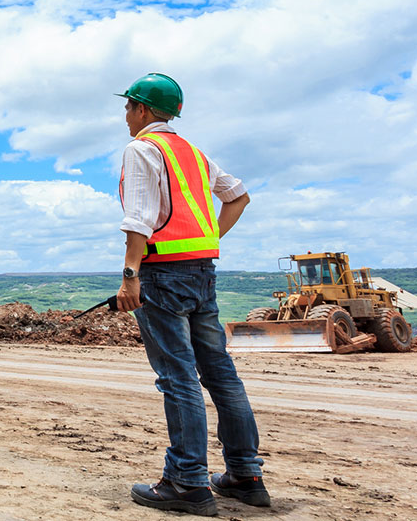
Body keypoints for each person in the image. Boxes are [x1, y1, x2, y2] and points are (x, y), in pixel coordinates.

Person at [114, 73, 269, 516]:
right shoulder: (193, 153)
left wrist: (130, 276)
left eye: (128, 107)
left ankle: (187, 483)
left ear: (142, 110)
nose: (125, 116)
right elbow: (238, 197)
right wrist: (209, 239)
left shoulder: (142, 148)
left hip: (162, 275)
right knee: (221, 374)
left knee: (178, 377)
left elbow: (139, 219)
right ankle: (245, 475)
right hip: (203, 273)